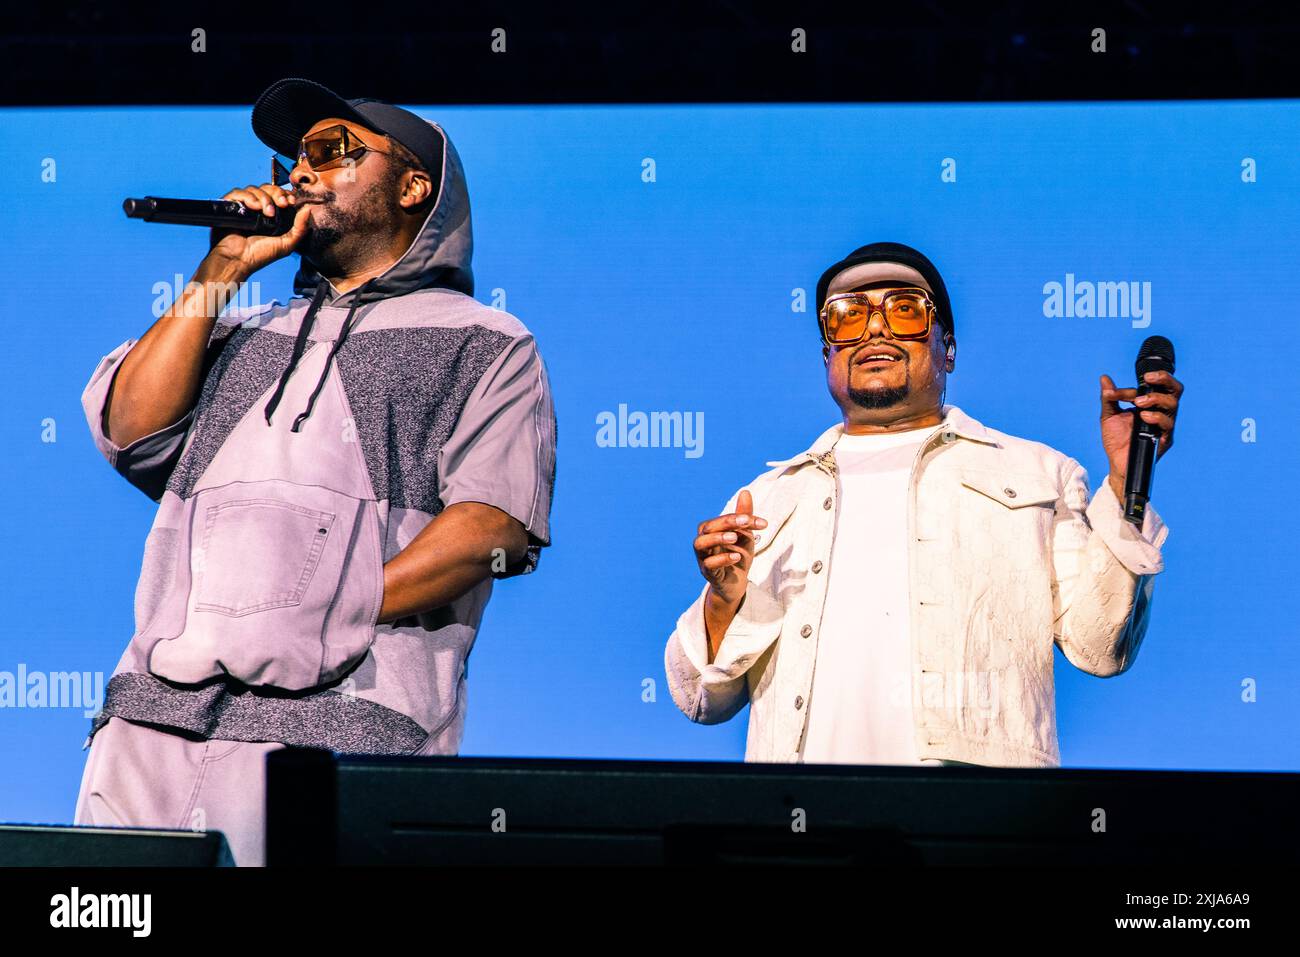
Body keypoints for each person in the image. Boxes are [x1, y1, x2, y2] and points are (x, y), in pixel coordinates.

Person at [74, 78, 557, 865]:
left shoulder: (486, 342)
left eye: (334, 151)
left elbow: (491, 530)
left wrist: (326, 609)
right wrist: (222, 267)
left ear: (414, 186)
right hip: (151, 730)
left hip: (340, 736)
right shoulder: (236, 331)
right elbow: (131, 430)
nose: (302, 171)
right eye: (295, 155)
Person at [664, 242, 1181, 767]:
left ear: (947, 347)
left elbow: (1100, 645)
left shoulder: (1038, 475)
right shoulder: (769, 500)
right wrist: (723, 602)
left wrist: (1124, 484)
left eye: (905, 309)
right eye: (848, 317)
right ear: (828, 354)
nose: (876, 329)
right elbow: (701, 700)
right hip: (802, 825)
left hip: (972, 826)